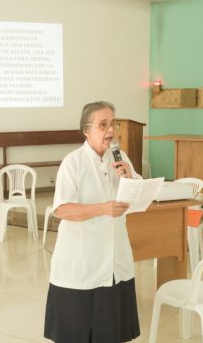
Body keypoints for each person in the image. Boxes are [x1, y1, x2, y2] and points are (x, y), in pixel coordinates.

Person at [44, 101, 141, 342]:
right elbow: (62, 210)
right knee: (76, 335)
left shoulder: (120, 157)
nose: (111, 130)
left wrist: (130, 177)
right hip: (81, 264)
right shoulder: (73, 162)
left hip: (114, 261)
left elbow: (138, 195)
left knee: (111, 334)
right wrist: (102, 209)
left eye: (113, 123)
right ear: (86, 130)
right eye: (103, 124)